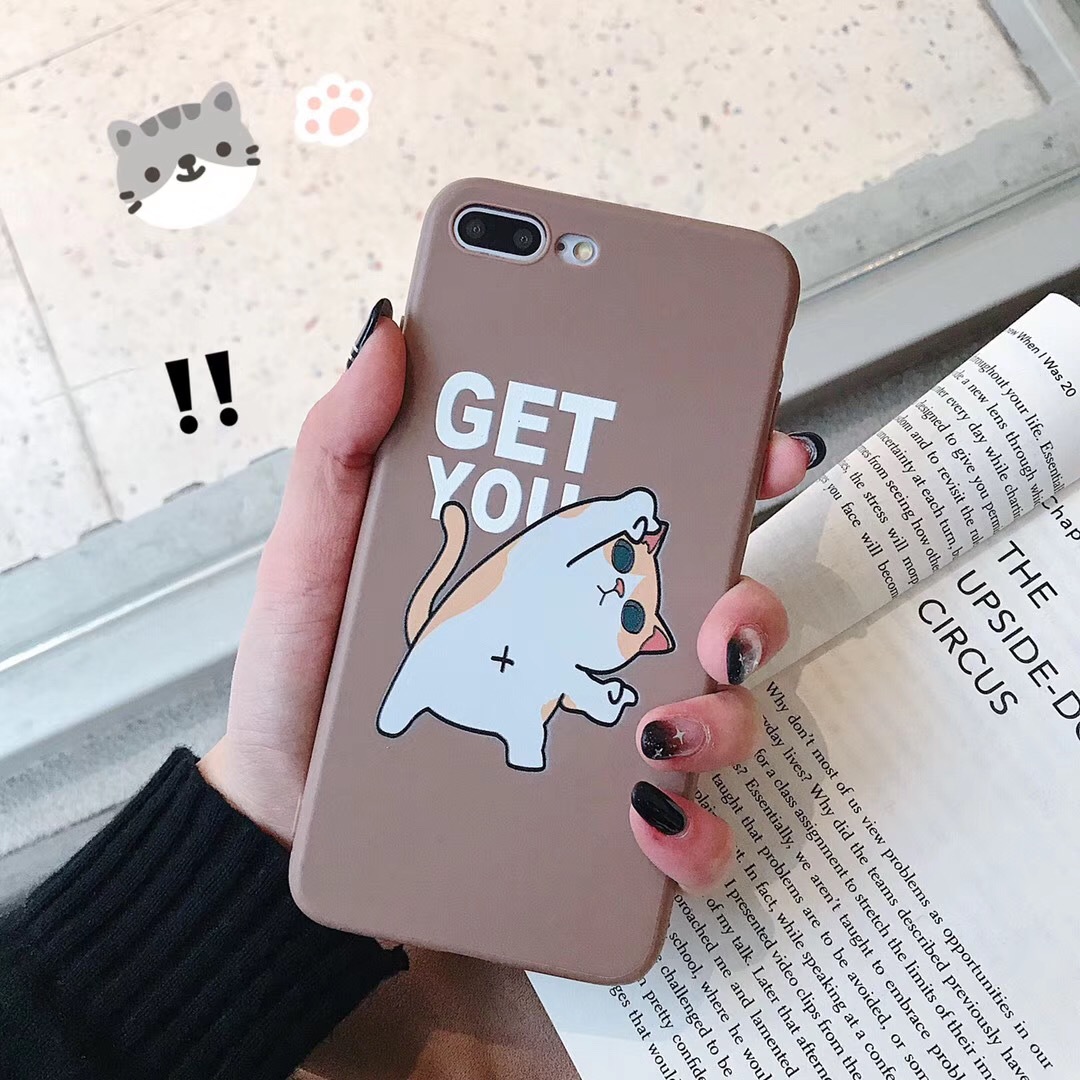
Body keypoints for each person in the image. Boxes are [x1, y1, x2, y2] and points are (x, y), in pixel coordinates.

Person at [0, 304, 824, 1079]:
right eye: (620, 568)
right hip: (446, 672)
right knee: (462, 689)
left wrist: (264, 815)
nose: (619, 593)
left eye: (636, 617)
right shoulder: (545, 563)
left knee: (554, 704)